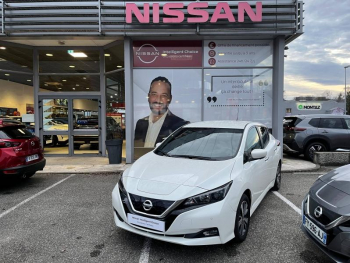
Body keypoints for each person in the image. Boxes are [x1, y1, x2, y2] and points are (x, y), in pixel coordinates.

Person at [134, 76, 189, 147]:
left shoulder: (180, 126)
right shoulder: (140, 123)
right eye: (154, 94)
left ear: (170, 98)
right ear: (149, 97)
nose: (158, 100)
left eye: (164, 95)